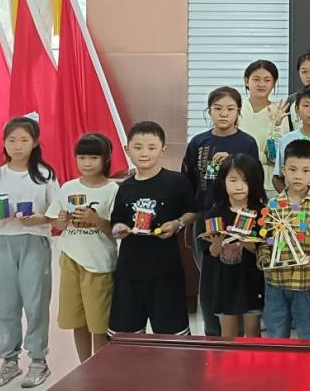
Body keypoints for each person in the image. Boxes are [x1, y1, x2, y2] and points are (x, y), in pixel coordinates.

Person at [0, 115, 60, 389]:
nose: (17, 146)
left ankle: (38, 360)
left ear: (35, 142)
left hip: (34, 242)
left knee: (36, 302)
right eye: (12, 140)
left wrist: (40, 219)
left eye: (24, 140)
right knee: (6, 302)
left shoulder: (45, 175)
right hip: (3, 243)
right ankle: (9, 360)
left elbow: (56, 214)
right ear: (4, 143)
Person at [109, 121, 198, 337]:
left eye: (151, 147)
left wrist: (178, 223)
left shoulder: (177, 181)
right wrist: (119, 229)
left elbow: (193, 211)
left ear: (163, 149)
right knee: (128, 338)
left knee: (171, 340)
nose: (144, 153)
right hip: (129, 271)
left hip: (166, 271)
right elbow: (116, 221)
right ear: (127, 149)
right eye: (138, 147)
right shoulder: (125, 187)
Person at [184, 86, 260, 336]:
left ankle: (243, 333)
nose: (223, 114)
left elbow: (254, 177)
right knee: (210, 273)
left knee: (244, 272)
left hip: (243, 216)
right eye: (217, 109)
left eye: (230, 109)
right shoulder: (199, 142)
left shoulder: (247, 142)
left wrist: (231, 161)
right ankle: (214, 332)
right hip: (208, 217)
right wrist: (191, 216)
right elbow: (189, 181)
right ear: (209, 111)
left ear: (239, 111)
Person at [46, 133, 119, 363]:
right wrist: (61, 219)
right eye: (82, 157)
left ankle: (100, 369)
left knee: (99, 324)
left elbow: (116, 230)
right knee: (77, 320)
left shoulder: (113, 190)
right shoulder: (68, 187)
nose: (87, 163)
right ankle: (84, 366)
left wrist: (95, 220)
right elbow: (56, 223)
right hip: (70, 260)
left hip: (99, 264)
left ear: (106, 159)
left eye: (94, 158)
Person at [257, 140, 310, 339]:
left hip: (307, 283)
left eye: (305, 170)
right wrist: (265, 259)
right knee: (276, 336)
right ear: (283, 169)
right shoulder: (273, 205)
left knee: (309, 336)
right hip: (276, 283)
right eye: (292, 169)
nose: (298, 176)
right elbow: (264, 240)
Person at [200, 154, 267, 338]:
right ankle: (229, 358)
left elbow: (260, 249)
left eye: (245, 180)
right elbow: (212, 253)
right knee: (228, 334)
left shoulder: (260, 212)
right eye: (233, 180)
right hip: (224, 282)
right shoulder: (215, 213)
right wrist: (217, 242)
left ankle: (252, 358)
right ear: (223, 182)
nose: (239, 186)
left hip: (252, 280)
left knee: (253, 331)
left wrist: (243, 238)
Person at [239, 59, 288, 197]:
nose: (261, 84)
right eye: (256, 79)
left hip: (268, 183)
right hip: (238, 177)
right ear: (246, 81)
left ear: (274, 83)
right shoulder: (236, 107)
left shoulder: (279, 112)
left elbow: (280, 156)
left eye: (267, 80)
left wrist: (277, 125)